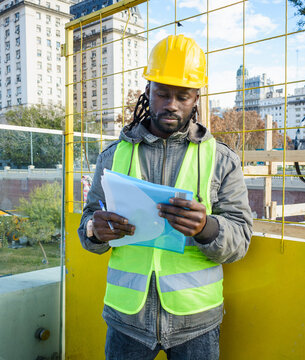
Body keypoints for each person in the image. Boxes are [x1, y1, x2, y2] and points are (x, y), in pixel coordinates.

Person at [78, 34, 253, 360]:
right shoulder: (112, 156)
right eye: (162, 94)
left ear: (196, 97)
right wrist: (94, 230)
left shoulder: (222, 160)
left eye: (182, 96)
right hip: (126, 320)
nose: (171, 104)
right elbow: (87, 223)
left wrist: (206, 228)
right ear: (148, 91)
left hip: (195, 323)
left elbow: (241, 238)